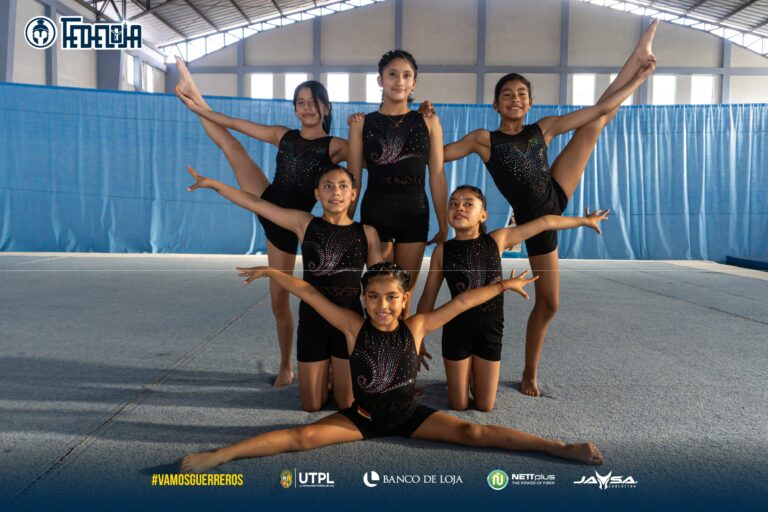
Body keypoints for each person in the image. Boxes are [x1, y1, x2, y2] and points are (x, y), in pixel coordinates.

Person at [179, 262, 604, 474]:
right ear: (364, 300)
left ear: (405, 299)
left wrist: (504, 286)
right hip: (361, 417)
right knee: (303, 436)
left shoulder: (417, 326)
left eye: (392, 297)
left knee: (475, 432)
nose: (383, 306)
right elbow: (309, 292)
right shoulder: (352, 326)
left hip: (408, 416)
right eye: (375, 297)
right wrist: (274, 270)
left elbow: (460, 303)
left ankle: (558, 446)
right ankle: (218, 456)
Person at [426, 20, 659, 396]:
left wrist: (639, 79)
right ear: (495, 104)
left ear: (530, 102)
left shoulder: (544, 128)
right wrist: (428, 124)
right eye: (506, 94)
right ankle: (530, 370)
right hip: (537, 221)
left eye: (521, 93)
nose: (514, 99)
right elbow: (436, 155)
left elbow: (601, 107)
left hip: (556, 189)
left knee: (597, 120)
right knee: (550, 304)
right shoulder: (484, 141)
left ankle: (636, 57)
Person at [175, 57, 348, 387]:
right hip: (266, 197)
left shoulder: (334, 146)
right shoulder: (283, 135)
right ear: (295, 108)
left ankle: (286, 364)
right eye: (300, 102)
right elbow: (232, 124)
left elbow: (363, 160)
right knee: (231, 144)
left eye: (313, 102)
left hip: (287, 223)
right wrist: (197, 106)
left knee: (279, 300)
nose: (307, 108)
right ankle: (193, 94)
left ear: (326, 107)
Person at [186, 165, 382, 411]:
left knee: (346, 405)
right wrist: (215, 185)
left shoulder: (367, 233)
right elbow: (256, 204)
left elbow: (380, 283)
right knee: (312, 405)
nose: (336, 192)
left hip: (349, 322)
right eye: (328, 186)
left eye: (343, 186)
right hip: (313, 320)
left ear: (353, 194)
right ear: (316, 194)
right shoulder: (304, 223)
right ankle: (326, 374)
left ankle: (336, 373)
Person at [417, 185, 609, 411]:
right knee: (458, 404)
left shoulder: (497, 240)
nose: (460, 207)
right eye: (453, 203)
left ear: (483, 215)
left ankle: (471, 373)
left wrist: (584, 221)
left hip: (490, 329)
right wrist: (419, 336)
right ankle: (462, 374)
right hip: (457, 330)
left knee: (485, 405)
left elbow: (545, 223)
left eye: (468, 204)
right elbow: (428, 295)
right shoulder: (443, 251)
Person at [347, 49, 448, 318]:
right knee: (377, 292)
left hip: (414, 212)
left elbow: (437, 175)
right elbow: (353, 177)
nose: (399, 81)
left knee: (403, 296)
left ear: (414, 82)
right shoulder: (361, 124)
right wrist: (344, 222)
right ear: (380, 80)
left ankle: (401, 356)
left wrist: (443, 222)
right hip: (376, 210)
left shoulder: (428, 122)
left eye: (406, 75)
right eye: (392, 74)